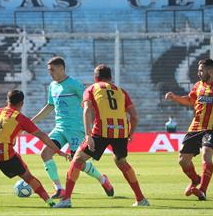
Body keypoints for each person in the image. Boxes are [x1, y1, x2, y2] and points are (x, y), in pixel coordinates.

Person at [54, 64, 149, 208]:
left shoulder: (91, 89)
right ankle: (141, 199)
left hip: (101, 131)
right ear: (110, 77)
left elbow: (87, 110)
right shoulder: (121, 91)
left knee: (77, 159)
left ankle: (66, 199)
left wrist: (88, 135)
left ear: (95, 77)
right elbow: (134, 117)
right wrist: (130, 133)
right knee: (121, 161)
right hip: (121, 131)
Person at [32, 57, 114, 199]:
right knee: (45, 153)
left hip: (77, 129)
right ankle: (58, 188)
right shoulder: (52, 86)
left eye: (52, 70)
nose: (50, 73)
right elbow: (50, 106)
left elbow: (90, 102)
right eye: (48, 70)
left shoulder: (74, 84)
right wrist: (31, 122)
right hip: (60, 128)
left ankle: (102, 179)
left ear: (62, 69)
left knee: (78, 163)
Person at [165, 59, 213, 200]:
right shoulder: (198, 85)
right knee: (183, 161)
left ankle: (202, 190)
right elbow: (190, 100)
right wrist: (175, 98)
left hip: (212, 128)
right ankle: (195, 179)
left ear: (210, 71)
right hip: (195, 127)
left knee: (206, 154)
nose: (198, 73)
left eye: (201, 70)